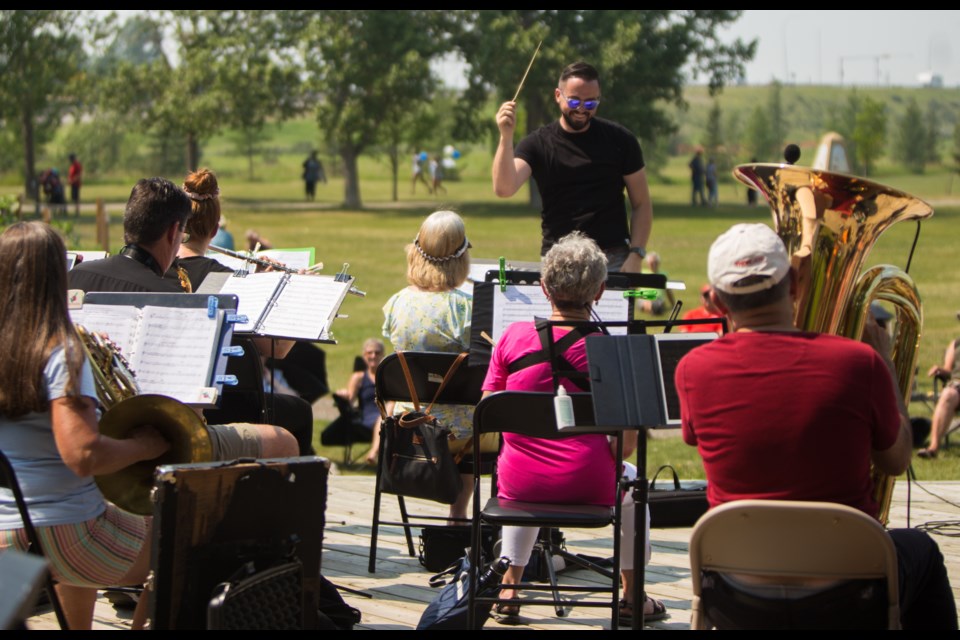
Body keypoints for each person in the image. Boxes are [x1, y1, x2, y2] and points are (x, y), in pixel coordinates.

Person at [675, 223, 957, 630]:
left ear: (717, 302)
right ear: (794, 283)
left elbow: (696, 438)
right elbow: (896, 461)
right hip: (850, 596)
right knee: (924, 550)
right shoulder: (860, 363)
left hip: (737, 594)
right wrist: (888, 369)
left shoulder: (692, 370)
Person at [481, 232, 661, 626]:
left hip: (518, 484)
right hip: (590, 484)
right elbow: (626, 449)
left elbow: (489, 414)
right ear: (599, 292)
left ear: (544, 287)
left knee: (521, 471)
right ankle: (633, 595)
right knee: (634, 486)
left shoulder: (511, 338)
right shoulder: (611, 352)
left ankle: (510, 587)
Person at [0, 222, 170, 630]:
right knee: (182, 539)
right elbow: (83, 454)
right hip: (62, 537)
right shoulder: (60, 349)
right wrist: (145, 445)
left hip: (6, 538)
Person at [68, 177, 299, 461]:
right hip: (158, 442)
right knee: (284, 442)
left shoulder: (74, 277)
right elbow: (193, 408)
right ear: (175, 232)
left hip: (86, 426)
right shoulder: (177, 296)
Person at [164, 168, 318, 456]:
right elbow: (279, 349)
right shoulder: (233, 281)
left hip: (168, 397)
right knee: (300, 412)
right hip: (229, 402)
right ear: (214, 231)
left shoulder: (160, 270)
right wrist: (293, 291)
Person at [378, 210, 495, 520]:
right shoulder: (468, 306)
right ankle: (459, 513)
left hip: (409, 426)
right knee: (496, 422)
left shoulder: (397, 303)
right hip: (460, 434)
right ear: (461, 256)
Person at [493, 61, 652, 273]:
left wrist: (636, 255)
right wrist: (506, 137)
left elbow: (641, 203)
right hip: (558, 259)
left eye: (590, 104)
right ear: (558, 95)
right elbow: (504, 188)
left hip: (612, 260)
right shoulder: (538, 143)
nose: (581, 109)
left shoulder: (621, 141)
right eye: (575, 100)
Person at [321, 338, 383, 451]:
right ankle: (374, 453)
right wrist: (343, 396)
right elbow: (350, 400)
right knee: (381, 421)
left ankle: (375, 453)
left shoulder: (387, 376)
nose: (373, 356)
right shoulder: (358, 377)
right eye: (369, 353)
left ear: (383, 355)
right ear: (364, 355)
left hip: (386, 416)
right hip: (367, 419)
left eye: (377, 353)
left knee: (383, 420)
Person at [920, 334, 960, 459]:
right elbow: (948, 369)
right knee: (948, 394)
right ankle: (933, 448)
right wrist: (941, 370)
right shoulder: (956, 344)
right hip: (958, 386)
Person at [636, 251, 675, 316]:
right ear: (648, 263)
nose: (653, 265)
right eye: (651, 263)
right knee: (646, 302)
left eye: (655, 263)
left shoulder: (663, 275)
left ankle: (654, 309)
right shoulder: (642, 273)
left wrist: (673, 304)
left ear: (658, 263)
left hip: (658, 299)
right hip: (644, 298)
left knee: (657, 303)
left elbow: (668, 291)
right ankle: (653, 309)